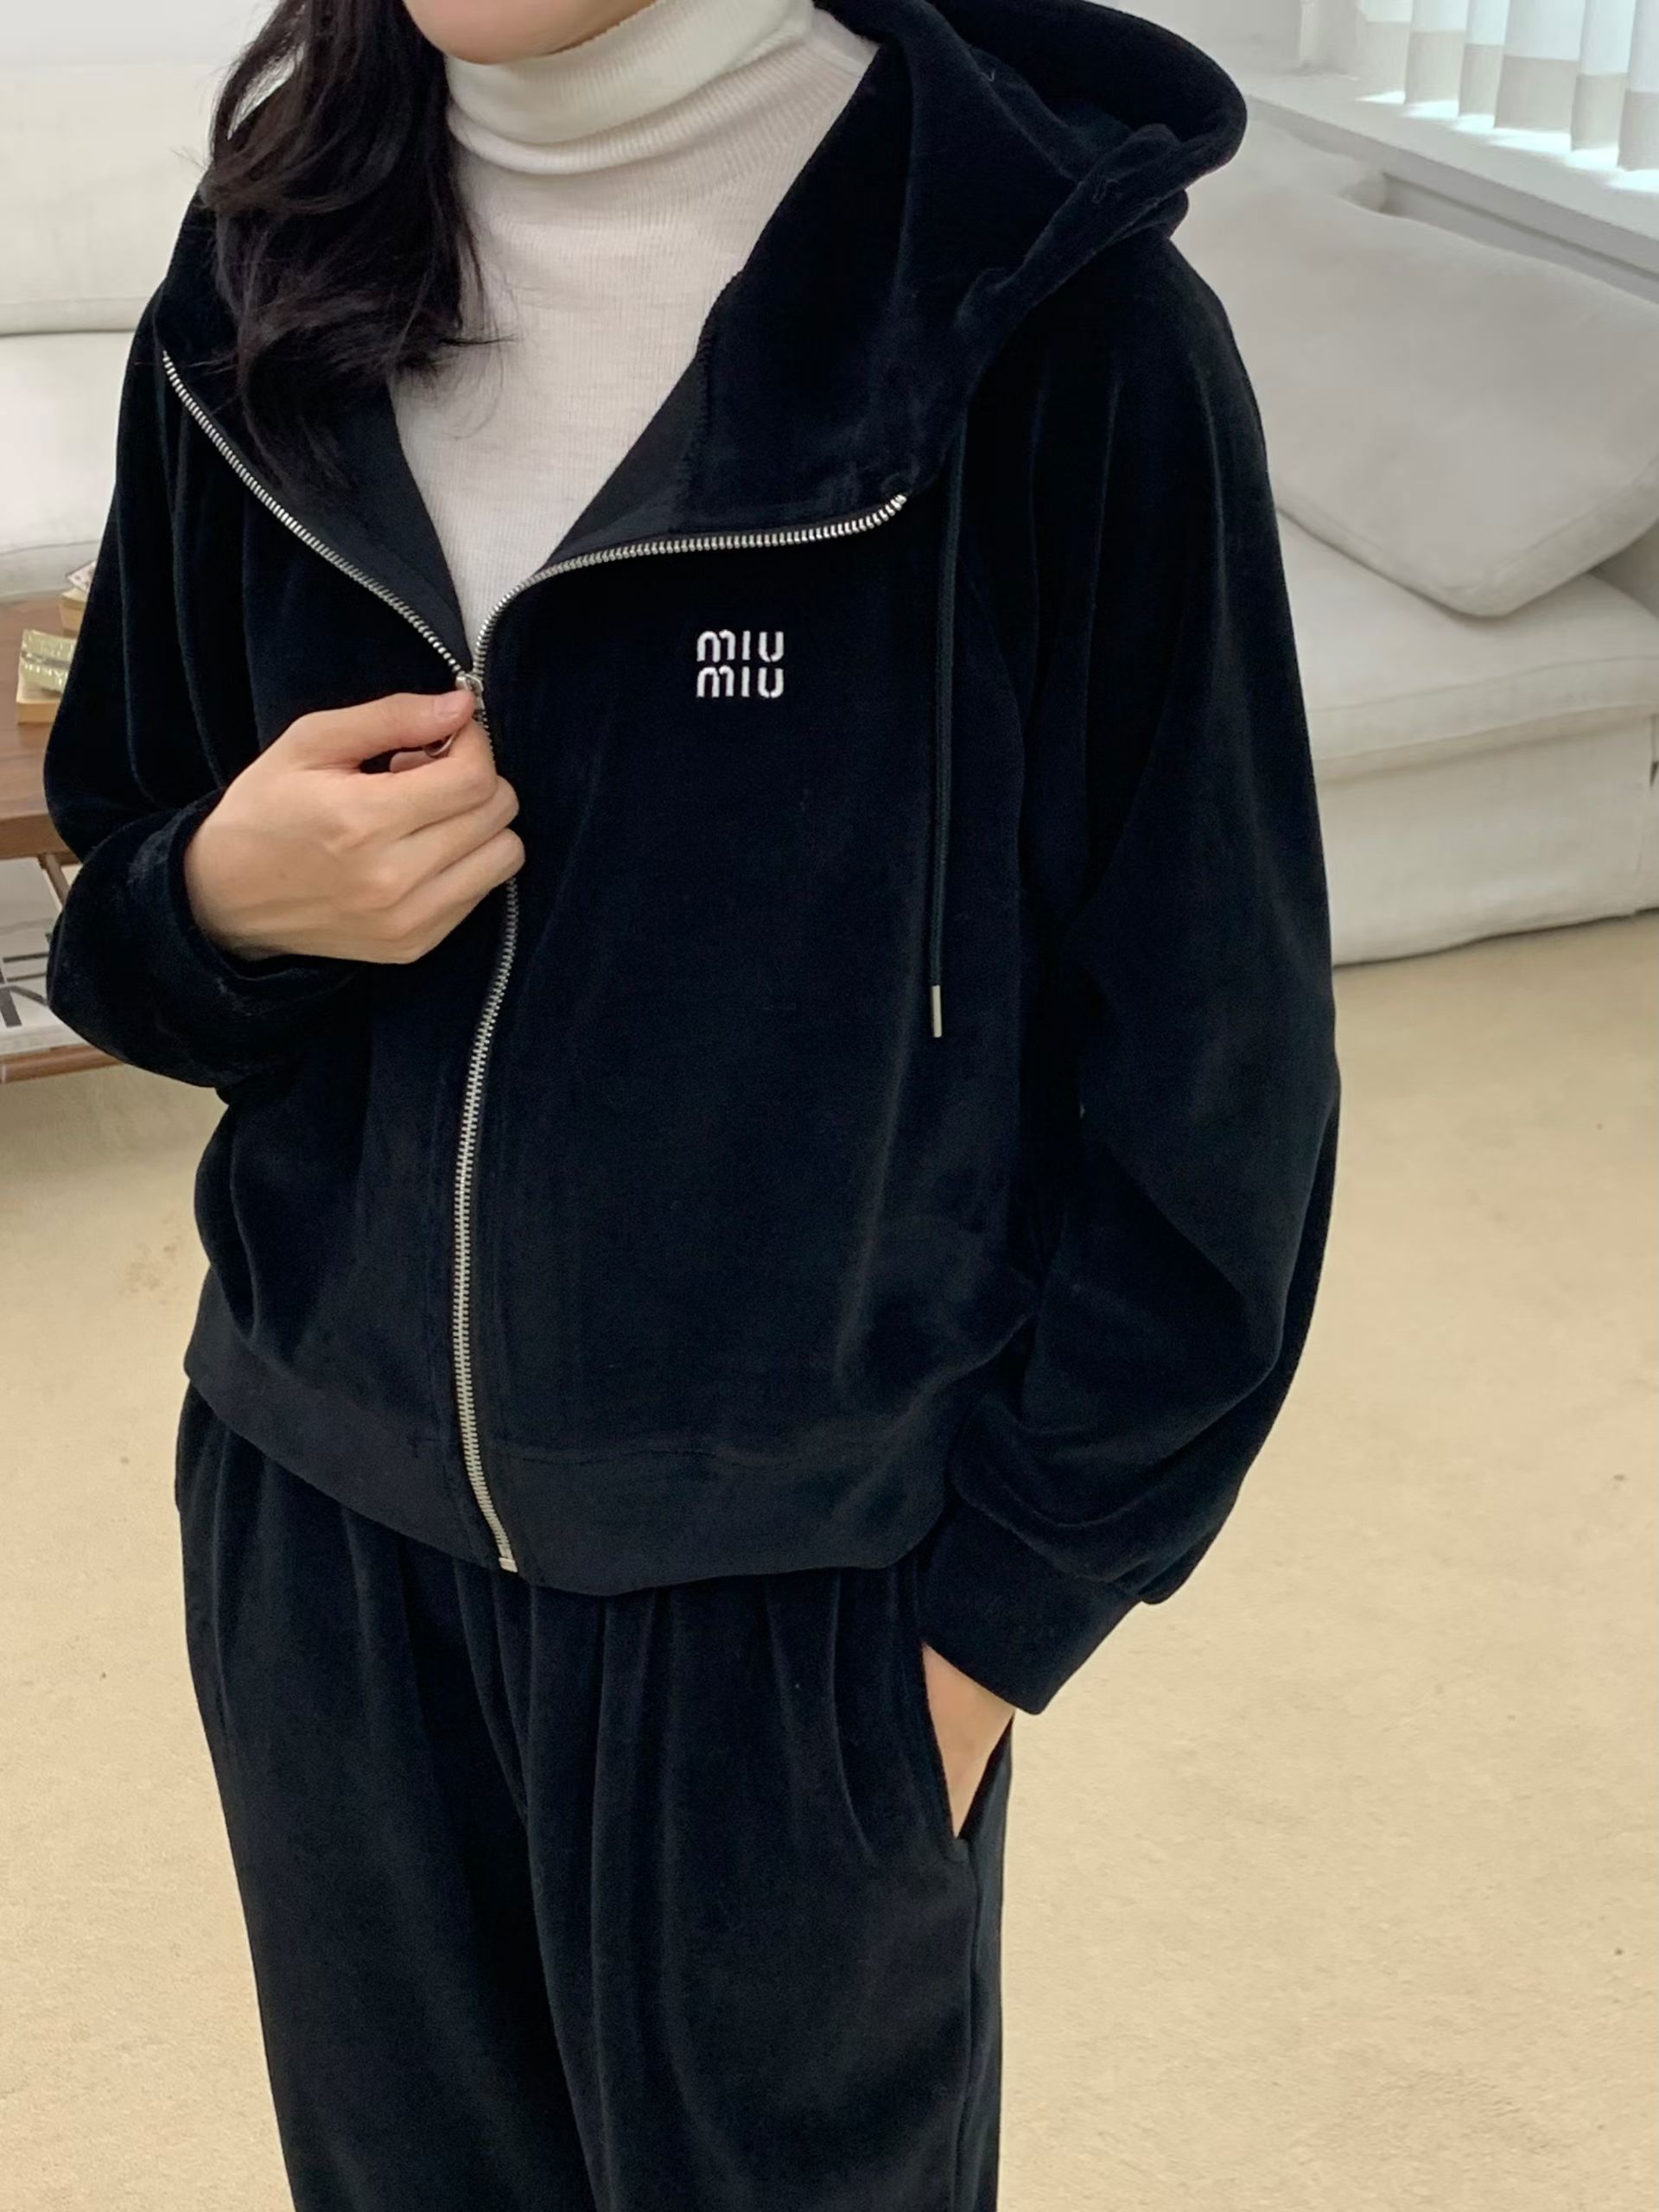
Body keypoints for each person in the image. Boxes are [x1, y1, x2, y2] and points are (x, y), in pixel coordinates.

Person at [41, 0, 1342, 2204]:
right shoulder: (264, 252)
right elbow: (126, 882)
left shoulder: (1054, 319)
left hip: (795, 1616)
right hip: (317, 1532)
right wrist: (225, 899)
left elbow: (1219, 1087)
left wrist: (989, 1626)